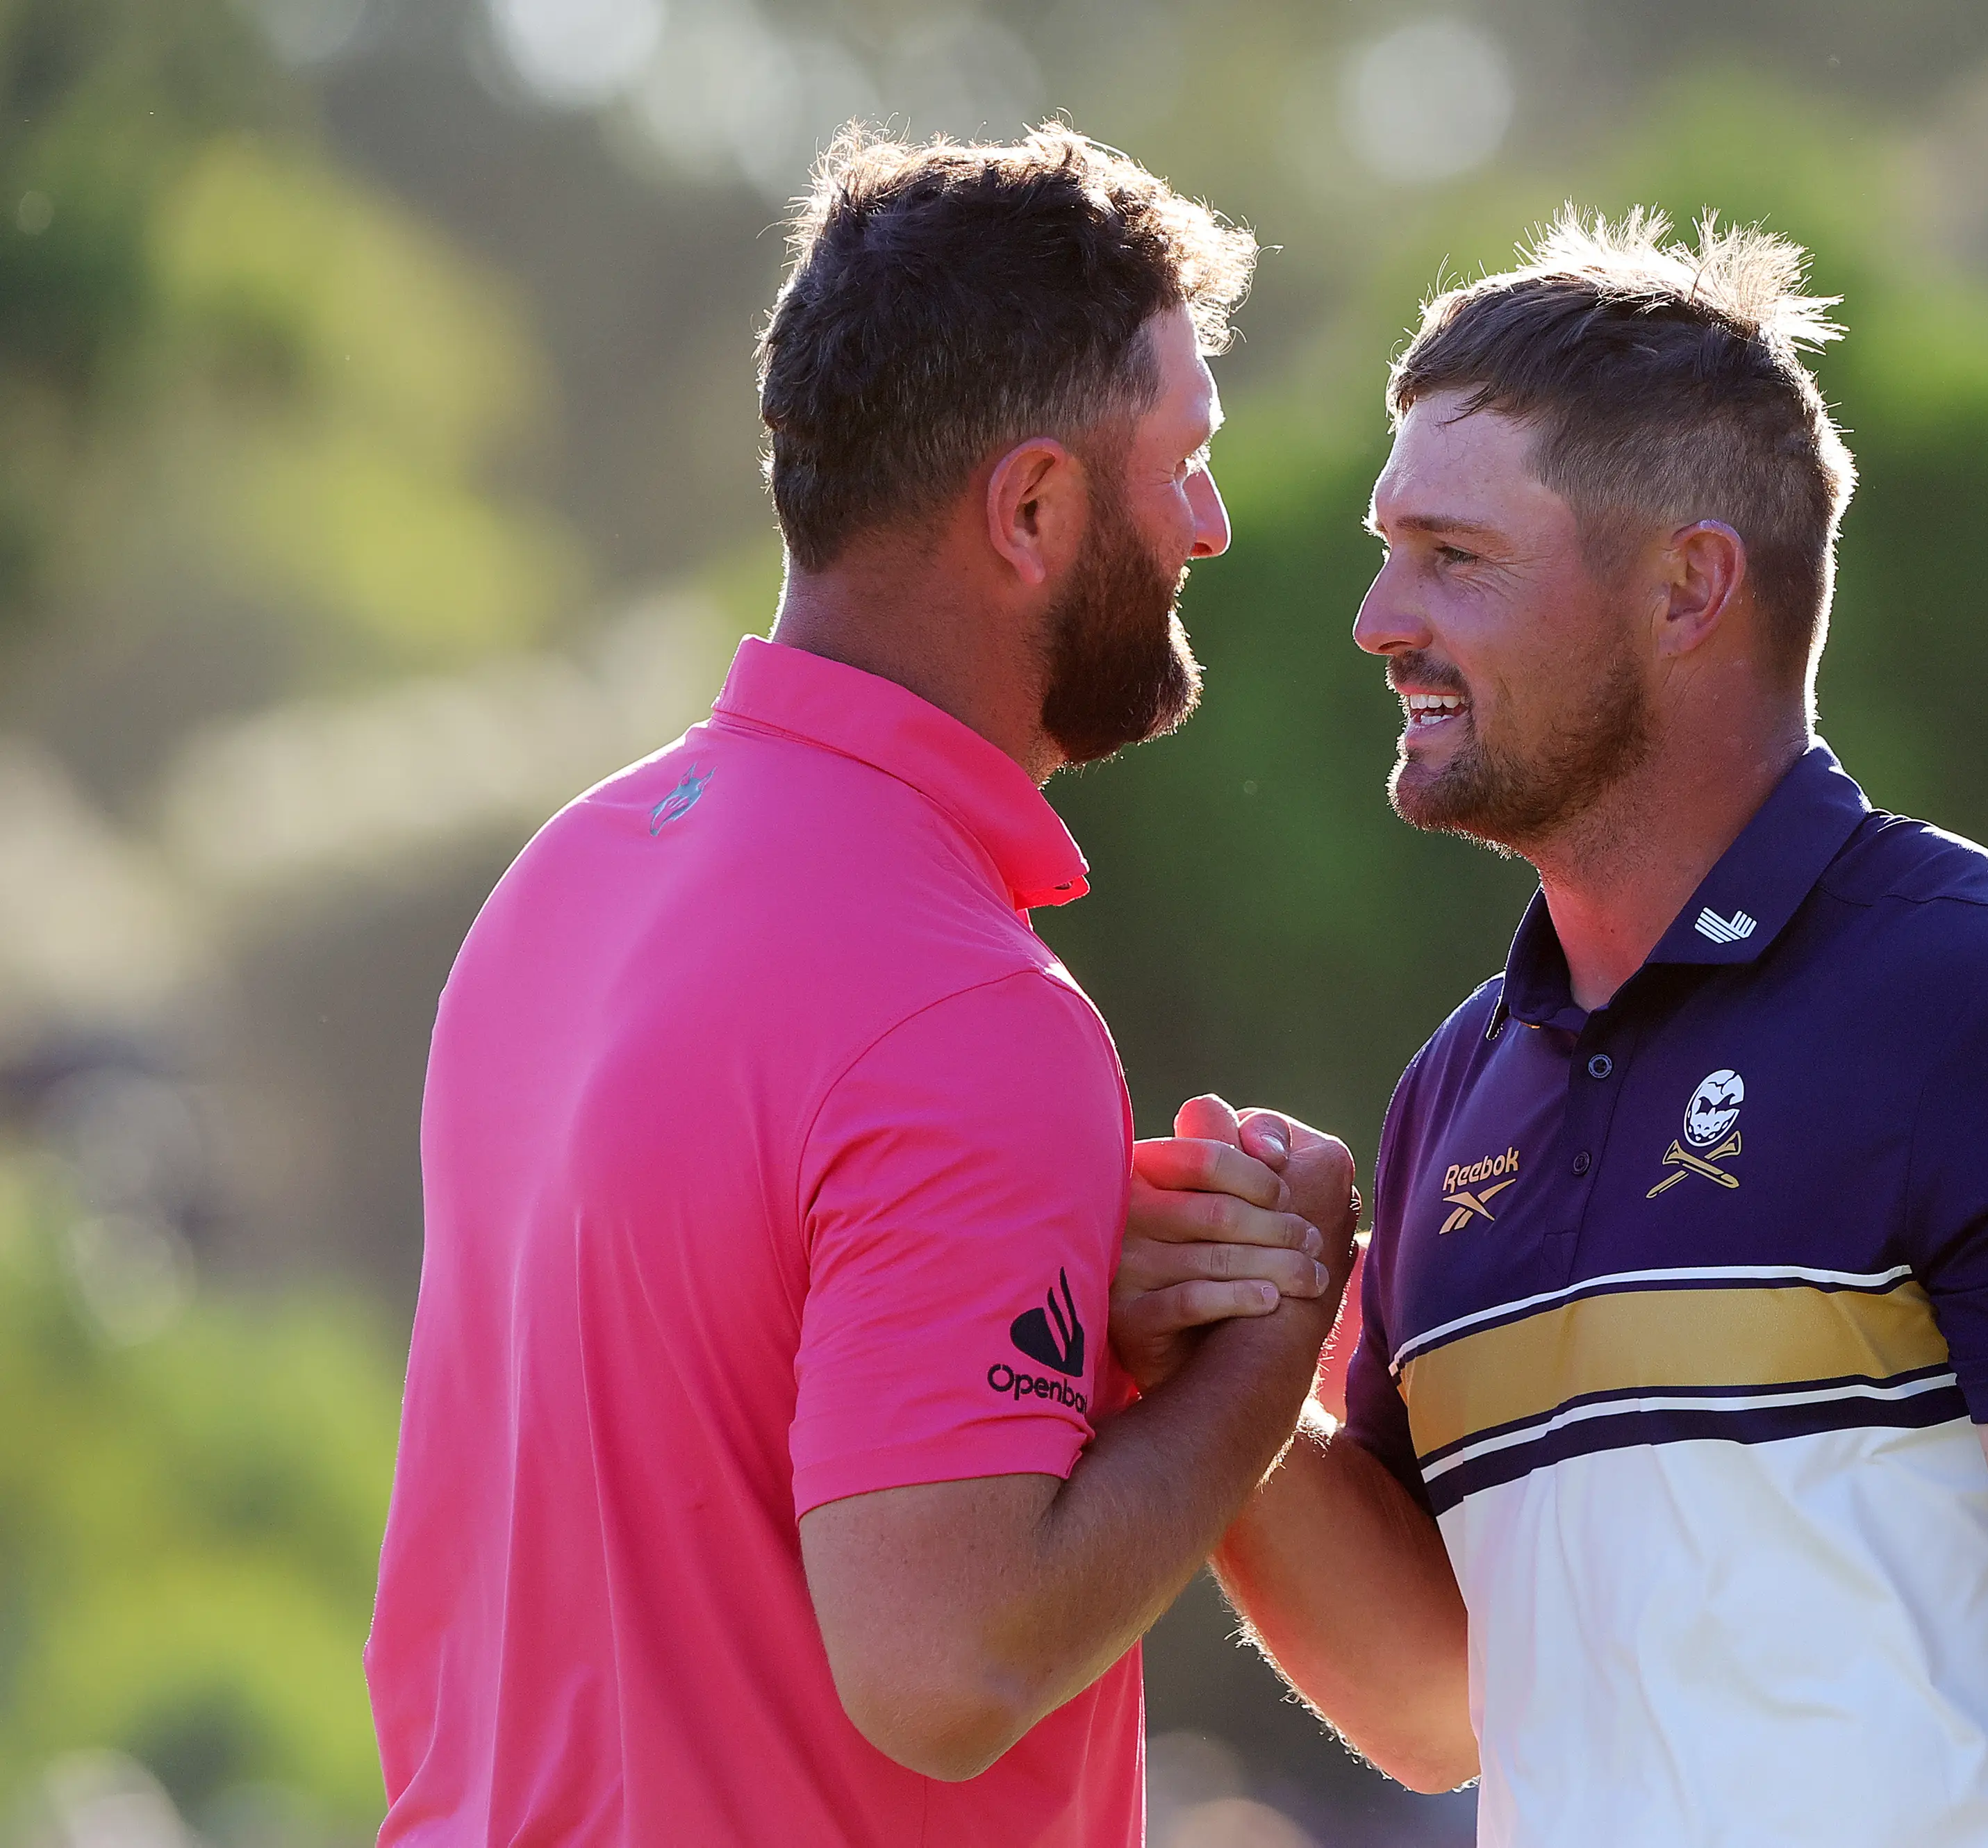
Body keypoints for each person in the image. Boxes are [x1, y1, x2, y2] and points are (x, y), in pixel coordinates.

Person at [1187, 211, 1988, 1846]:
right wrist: (1241, 1378)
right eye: (1387, 544)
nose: (1377, 616)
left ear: (1690, 586)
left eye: (1454, 556)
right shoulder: (1457, 1090)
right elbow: (1438, 1708)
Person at [365, 128, 1356, 1847]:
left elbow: (727, 1412)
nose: (1204, 525)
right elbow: (946, 1668)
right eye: (1180, 462)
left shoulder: (566, 879)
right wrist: (1259, 1359)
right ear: (1032, 509)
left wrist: (1078, 1338)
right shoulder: (966, 1011)